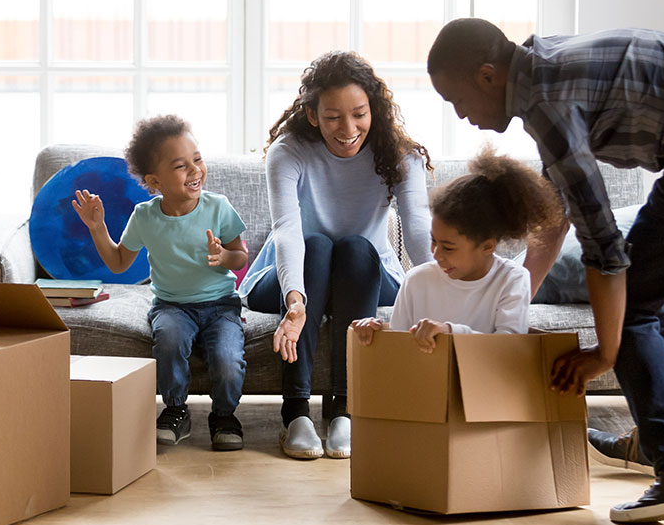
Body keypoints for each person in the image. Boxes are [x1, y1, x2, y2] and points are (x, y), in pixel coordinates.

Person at [426, 18, 664, 523]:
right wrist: (509, 303)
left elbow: (605, 248)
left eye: (457, 100)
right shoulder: (541, 65)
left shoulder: (545, 104)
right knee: (651, 289)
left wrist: (605, 353)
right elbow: (555, 216)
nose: (461, 115)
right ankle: (661, 439)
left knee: (636, 293)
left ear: (489, 75)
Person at [240, 50, 434, 460]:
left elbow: (418, 230)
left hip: (364, 274)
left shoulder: (400, 155)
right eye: (332, 117)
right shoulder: (288, 151)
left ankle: (345, 411)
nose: (348, 129)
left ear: (374, 110)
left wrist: (443, 290)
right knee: (318, 245)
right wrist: (294, 301)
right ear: (312, 115)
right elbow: (288, 231)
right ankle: (296, 414)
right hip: (288, 276)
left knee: (355, 248)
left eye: (359, 113)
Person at [72, 114, 249, 451]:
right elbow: (120, 262)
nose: (195, 170)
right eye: (182, 166)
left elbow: (240, 256)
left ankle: (224, 415)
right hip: (172, 305)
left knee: (228, 359)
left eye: (197, 159)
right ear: (155, 181)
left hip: (221, 305)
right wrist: (97, 227)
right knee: (168, 341)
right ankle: (176, 410)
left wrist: (224, 258)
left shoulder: (219, 207)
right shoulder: (145, 216)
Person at [351, 149, 564, 350]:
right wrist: (377, 332)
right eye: (434, 241)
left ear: (487, 246)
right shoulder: (416, 280)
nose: (436, 254)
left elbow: (508, 348)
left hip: (485, 388)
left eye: (448, 248)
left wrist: (450, 332)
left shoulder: (513, 280)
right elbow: (399, 346)